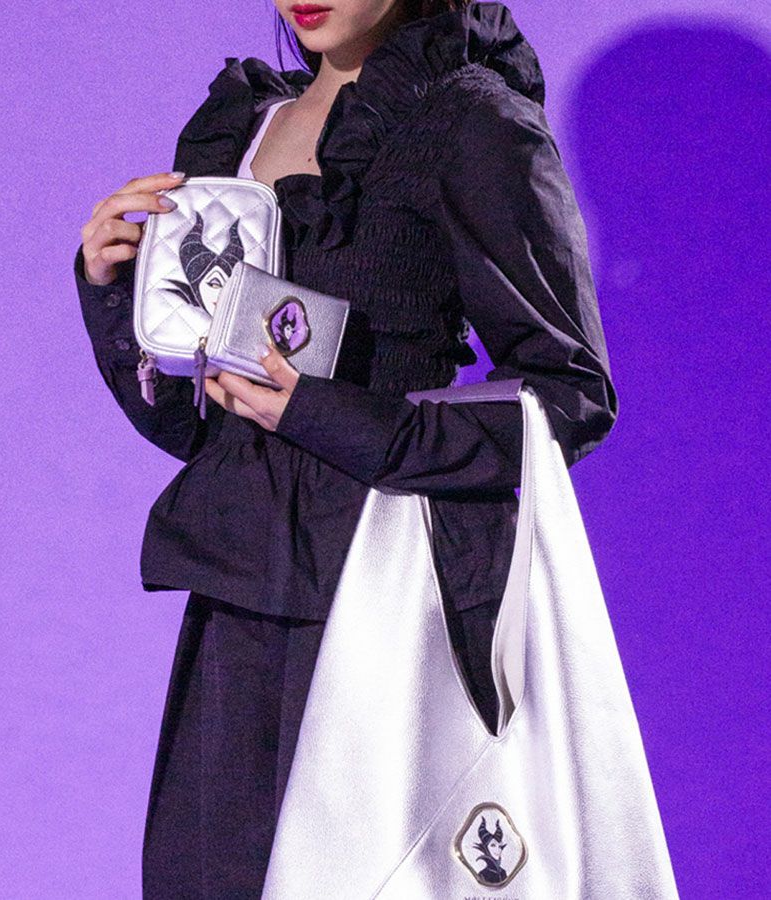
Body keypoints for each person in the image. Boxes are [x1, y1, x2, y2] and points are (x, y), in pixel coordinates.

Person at [73, 1, 618, 897]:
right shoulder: (240, 131)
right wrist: (111, 288)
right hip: (242, 601)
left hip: (388, 591)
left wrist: (329, 416)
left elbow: (569, 399)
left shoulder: (471, 120)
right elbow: (208, 432)